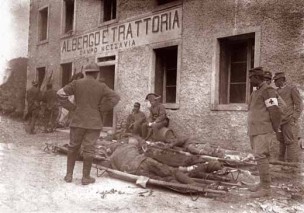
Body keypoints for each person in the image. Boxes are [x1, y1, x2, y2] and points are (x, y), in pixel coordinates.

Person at [57, 62, 120, 185]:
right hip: (94, 122)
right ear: (97, 73)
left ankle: (69, 175)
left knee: (73, 147)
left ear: (86, 72)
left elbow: (60, 93)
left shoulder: (76, 83)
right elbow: (116, 97)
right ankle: (86, 177)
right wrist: (103, 108)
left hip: (77, 121)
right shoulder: (102, 86)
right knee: (89, 149)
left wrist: (72, 107)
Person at [247, 67, 282, 198]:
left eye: (251, 78)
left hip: (263, 130)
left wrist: (275, 128)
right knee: (259, 157)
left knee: (262, 157)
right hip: (255, 130)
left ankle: (266, 188)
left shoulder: (268, 90)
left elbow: (274, 110)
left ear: (257, 77)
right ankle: (262, 184)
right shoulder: (256, 92)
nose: (249, 80)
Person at [273, 72, 303, 163]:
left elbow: (299, 105)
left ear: (282, 80)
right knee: (281, 141)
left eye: (276, 80)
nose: (274, 82)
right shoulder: (276, 91)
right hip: (279, 121)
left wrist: (294, 117)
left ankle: (290, 164)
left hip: (288, 120)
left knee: (289, 142)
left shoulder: (291, 89)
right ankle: (281, 163)